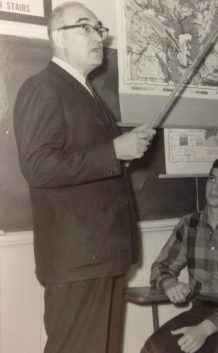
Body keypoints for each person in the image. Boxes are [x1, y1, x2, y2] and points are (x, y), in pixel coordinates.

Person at [13, 2, 155, 353]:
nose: (98, 37)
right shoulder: (43, 87)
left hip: (102, 256)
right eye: (85, 27)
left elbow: (88, 167)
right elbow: (38, 166)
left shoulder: (87, 91)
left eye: (99, 29)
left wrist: (124, 149)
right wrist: (114, 151)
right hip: (78, 259)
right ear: (57, 38)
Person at [141, 157, 218, 353]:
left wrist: (205, 329)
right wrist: (170, 284)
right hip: (201, 309)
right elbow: (160, 267)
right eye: (212, 179)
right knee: (154, 349)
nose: (214, 187)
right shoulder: (188, 224)